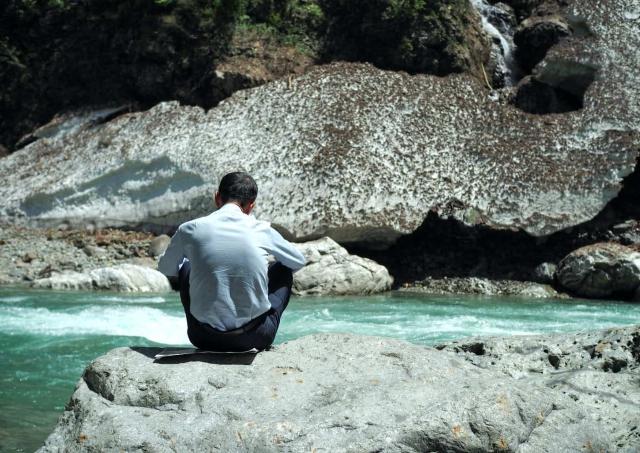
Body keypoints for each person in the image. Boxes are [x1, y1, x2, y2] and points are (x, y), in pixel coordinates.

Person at [157, 172, 306, 351]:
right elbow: (298, 261)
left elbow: (167, 268)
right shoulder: (261, 229)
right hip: (255, 338)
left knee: (186, 266)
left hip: (202, 338)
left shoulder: (189, 229)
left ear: (217, 197)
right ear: (251, 206)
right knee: (282, 270)